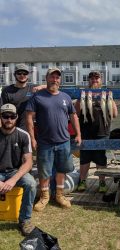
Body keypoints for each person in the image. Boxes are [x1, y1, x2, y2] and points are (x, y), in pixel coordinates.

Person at [26, 67, 81, 212]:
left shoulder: (66, 97)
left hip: (64, 141)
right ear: (47, 78)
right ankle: (44, 197)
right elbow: (29, 118)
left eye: (57, 77)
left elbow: (73, 116)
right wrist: (32, 138)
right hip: (44, 142)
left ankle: (60, 195)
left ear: (60, 80)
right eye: (52, 77)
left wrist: (78, 134)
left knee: (62, 170)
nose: (54, 80)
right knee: (44, 172)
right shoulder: (37, 97)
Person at [75, 71, 118, 193]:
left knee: (101, 158)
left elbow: (114, 114)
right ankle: (83, 181)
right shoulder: (83, 94)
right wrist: (80, 99)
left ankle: (102, 182)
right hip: (86, 132)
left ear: (101, 81)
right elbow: (77, 113)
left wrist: (111, 98)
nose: (94, 80)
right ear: (88, 80)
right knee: (84, 159)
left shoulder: (106, 94)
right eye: (92, 78)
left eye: (97, 78)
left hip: (102, 132)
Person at [0, 103, 36, 236]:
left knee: (31, 183)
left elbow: (28, 162)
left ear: (16, 117)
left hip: (14, 172)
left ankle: (24, 220)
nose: (8, 119)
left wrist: (13, 180)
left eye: (12, 116)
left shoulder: (23, 135)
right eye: (5, 116)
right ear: (1, 117)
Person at [0, 63, 46, 130]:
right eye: (19, 73)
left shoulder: (33, 88)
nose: (22, 75)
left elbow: (53, 88)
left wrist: (41, 86)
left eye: (25, 73)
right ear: (14, 75)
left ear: (28, 75)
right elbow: (1, 111)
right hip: (12, 129)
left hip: (30, 129)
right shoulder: (7, 91)